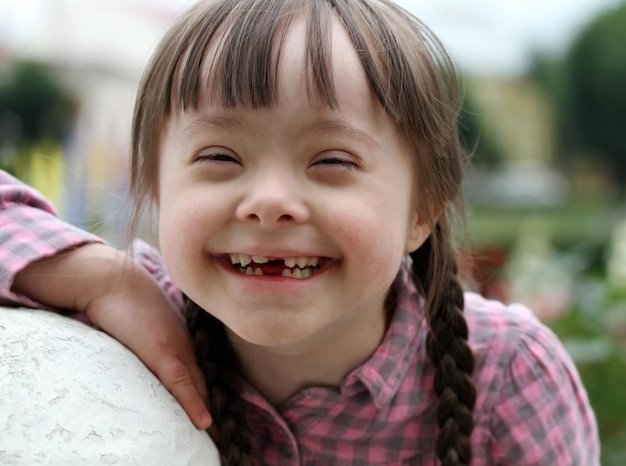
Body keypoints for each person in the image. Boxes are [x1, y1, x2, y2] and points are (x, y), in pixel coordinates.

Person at [0, 0, 599, 464]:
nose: (269, 203)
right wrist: (96, 276)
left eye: (333, 161)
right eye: (219, 156)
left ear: (422, 211)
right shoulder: (136, 315)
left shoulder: (509, 374)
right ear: (155, 186)